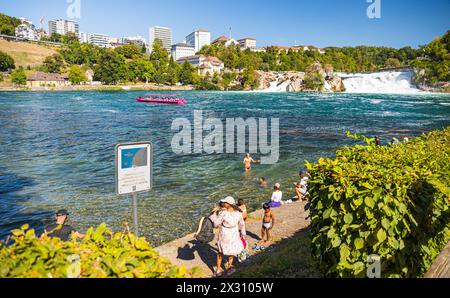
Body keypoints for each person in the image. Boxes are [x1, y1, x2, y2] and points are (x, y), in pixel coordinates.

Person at [209, 197, 246, 277]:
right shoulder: (238, 212)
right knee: (231, 251)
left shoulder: (223, 213)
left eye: (225, 202)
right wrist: (243, 234)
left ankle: (218, 270)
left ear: (228, 204)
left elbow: (215, 224)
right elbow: (242, 224)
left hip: (225, 233)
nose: (224, 203)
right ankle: (229, 268)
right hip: (234, 233)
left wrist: (214, 213)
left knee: (220, 252)